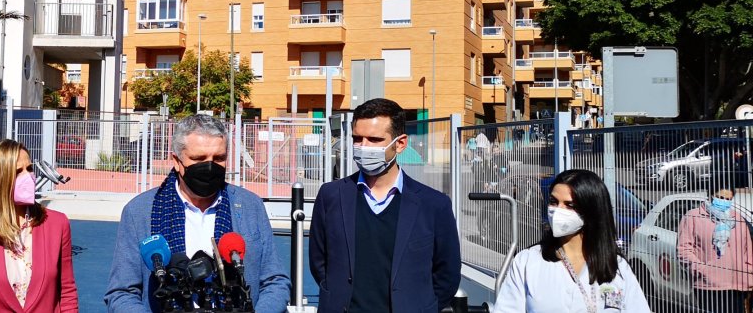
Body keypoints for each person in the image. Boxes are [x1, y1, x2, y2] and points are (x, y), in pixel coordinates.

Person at [105, 114, 289, 312]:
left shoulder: (250, 206)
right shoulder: (139, 212)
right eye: (199, 159)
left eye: (218, 158)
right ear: (177, 161)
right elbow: (121, 293)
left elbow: (275, 282)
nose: (209, 167)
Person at [309, 98, 461, 313]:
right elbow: (319, 262)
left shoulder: (434, 205)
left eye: (374, 139)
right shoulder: (331, 196)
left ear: (400, 143)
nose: (363, 147)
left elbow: (447, 274)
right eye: (357, 138)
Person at [0, 139, 78, 312]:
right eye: (18, 172)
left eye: (29, 169)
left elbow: (67, 293)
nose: (29, 177)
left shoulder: (57, 224)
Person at [495, 169, 651, 312]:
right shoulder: (527, 262)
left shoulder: (617, 267)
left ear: (591, 210)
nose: (558, 211)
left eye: (569, 205)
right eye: (554, 202)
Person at [676, 186, 753, 313]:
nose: (724, 201)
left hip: (737, 284)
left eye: (728, 199)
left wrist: (748, 269)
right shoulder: (693, 216)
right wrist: (702, 270)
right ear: (711, 196)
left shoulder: (738, 219)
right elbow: (683, 249)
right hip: (709, 285)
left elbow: (747, 249)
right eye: (720, 197)